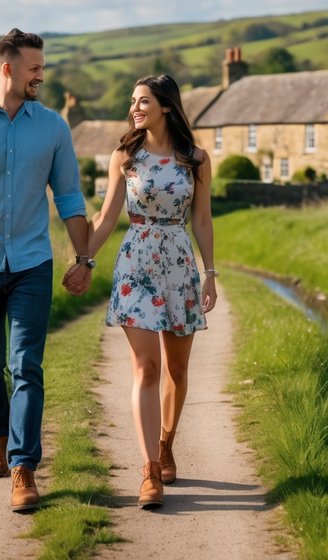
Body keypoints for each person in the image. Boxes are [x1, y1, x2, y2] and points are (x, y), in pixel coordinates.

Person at [0, 28, 93, 514]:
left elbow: (69, 197)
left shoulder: (53, 128)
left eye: (42, 68)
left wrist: (83, 259)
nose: (40, 76)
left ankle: (24, 468)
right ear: (7, 68)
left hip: (31, 264)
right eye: (34, 68)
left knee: (25, 366)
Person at [83, 74, 217, 509]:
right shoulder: (125, 155)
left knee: (177, 370)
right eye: (132, 101)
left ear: (165, 106)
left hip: (179, 264)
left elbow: (201, 219)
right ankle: (149, 471)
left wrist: (209, 272)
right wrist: (83, 261)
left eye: (142, 101)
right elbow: (105, 217)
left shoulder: (195, 159)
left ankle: (166, 443)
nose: (134, 108)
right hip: (136, 264)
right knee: (146, 367)